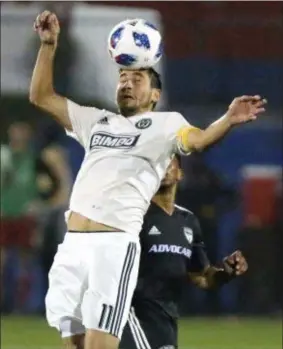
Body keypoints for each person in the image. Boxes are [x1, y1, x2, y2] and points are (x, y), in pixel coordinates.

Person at [30, 10, 265, 349]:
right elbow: (41, 97)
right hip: (73, 244)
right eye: (122, 76)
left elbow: (199, 141)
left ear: (155, 95)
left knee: (99, 346)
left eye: (136, 78)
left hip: (113, 246)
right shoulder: (96, 121)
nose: (126, 82)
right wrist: (48, 45)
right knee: (73, 344)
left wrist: (228, 118)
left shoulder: (166, 125)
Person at [120, 155, 248, 349]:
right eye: (157, 165)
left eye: (168, 164)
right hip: (133, 315)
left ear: (180, 173)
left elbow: (202, 277)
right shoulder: (135, 216)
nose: (163, 169)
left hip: (166, 318)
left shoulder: (188, 220)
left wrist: (226, 272)